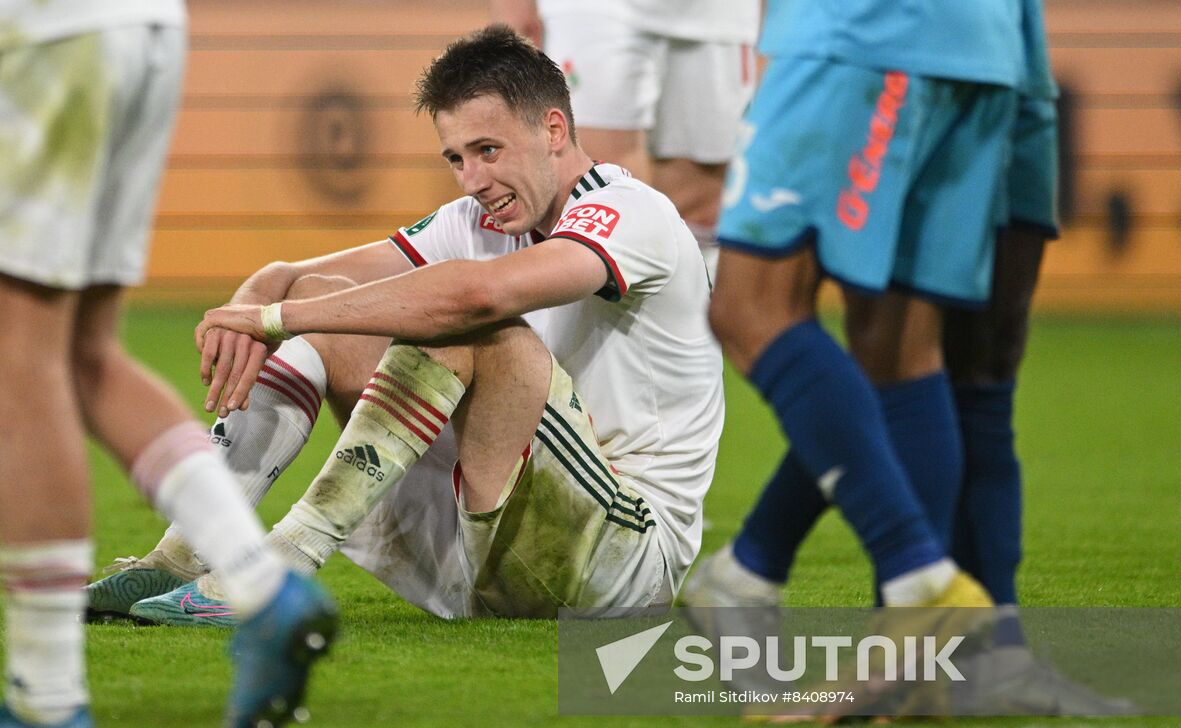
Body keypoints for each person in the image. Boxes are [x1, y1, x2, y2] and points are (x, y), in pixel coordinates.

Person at [87, 24, 725, 624]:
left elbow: (473, 298)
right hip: (488, 550)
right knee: (333, 306)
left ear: (553, 129)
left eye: (488, 150)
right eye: (456, 158)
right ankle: (183, 554)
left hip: (624, 558)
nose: (474, 180)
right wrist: (256, 301)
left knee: (473, 327)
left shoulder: (631, 212)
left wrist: (278, 319)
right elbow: (299, 277)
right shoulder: (477, 220)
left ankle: (279, 568)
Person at [0, 0, 336, 728]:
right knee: (84, 355)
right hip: (139, 28)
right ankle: (262, 584)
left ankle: (47, 703)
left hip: (28, 31)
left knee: (13, 365)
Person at [684, 0, 1031, 620]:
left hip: (863, 32)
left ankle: (917, 578)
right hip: (985, 44)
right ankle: (889, 644)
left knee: (748, 308)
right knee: (901, 352)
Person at [493, 0, 758, 277]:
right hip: (595, 11)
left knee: (701, 210)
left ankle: (682, 315)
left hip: (721, 13)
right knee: (595, 201)